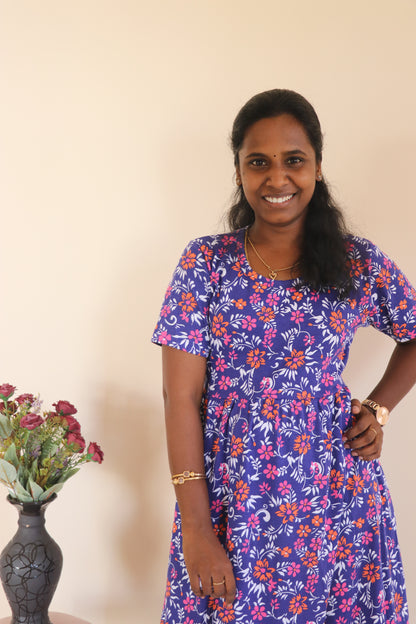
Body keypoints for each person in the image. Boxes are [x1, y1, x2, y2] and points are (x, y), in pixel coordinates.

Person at [152, 89, 416, 624]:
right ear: (239, 171)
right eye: (259, 162)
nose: (277, 178)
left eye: (294, 160)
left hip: (336, 505)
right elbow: (180, 398)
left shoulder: (356, 262)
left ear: (317, 167)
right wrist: (197, 528)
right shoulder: (206, 263)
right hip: (235, 508)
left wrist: (379, 408)